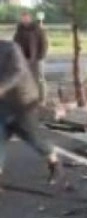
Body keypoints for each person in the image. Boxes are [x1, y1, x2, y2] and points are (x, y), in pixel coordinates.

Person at [0, 40, 62, 189]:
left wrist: (2, 88)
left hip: (23, 102)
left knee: (34, 139)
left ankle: (55, 164)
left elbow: (18, 71)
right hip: (2, 105)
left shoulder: (10, 48)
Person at [13, 12, 48, 106]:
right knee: (26, 79)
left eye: (26, 18)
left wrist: (41, 56)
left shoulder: (37, 29)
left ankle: (42, 100)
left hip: (37, 58)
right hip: (23, 59)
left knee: (40, 78)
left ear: (30, 18)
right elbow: (15, 45)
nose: (24, 20)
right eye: (23, 18)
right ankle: (28, 99)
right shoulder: (19, 30)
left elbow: (44, 43)